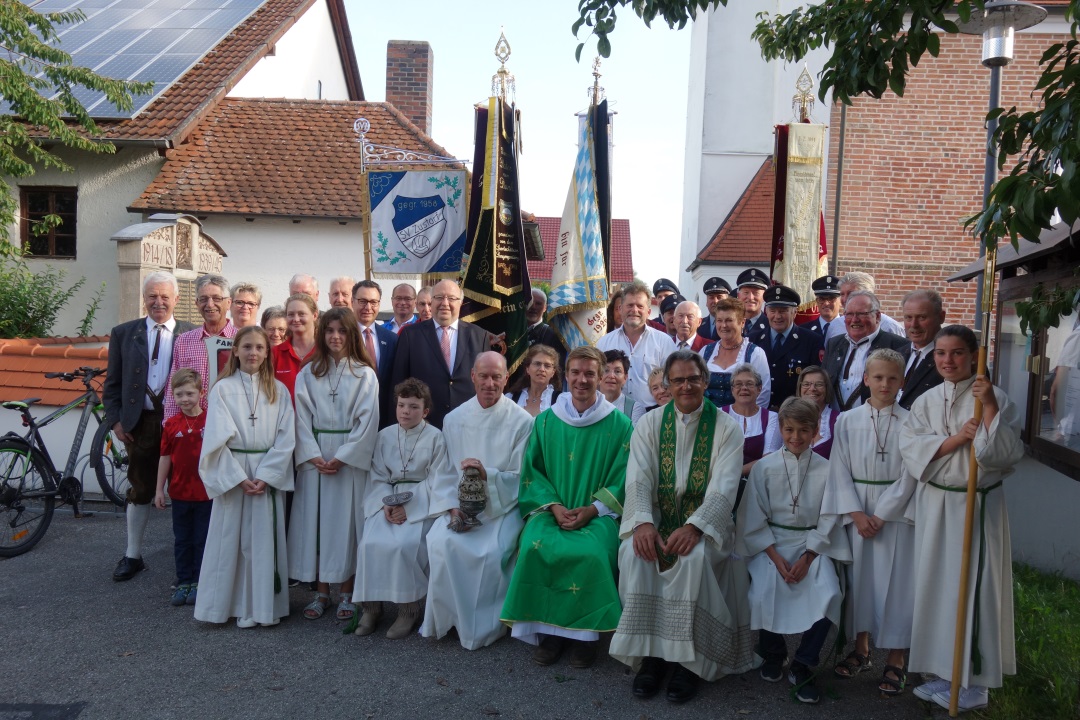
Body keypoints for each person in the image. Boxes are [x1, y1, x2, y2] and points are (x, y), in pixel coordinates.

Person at [609, 351, 756, 703]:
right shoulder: (649, 423)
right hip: (656, 519)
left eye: (693, 378)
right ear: (667, 385)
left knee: (694, 560)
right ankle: (653, 657)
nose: (686, 386)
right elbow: (638, 479)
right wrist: (643, 523)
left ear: (705, 381)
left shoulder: (726, 428)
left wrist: (695, 528)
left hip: (706, 525)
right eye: (678, 380)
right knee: (634, 553)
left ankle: (690, 662)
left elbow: (725, 485)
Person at [899, 325, 1024, 713]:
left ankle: (976, 681)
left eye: (956, 353)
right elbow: (911, 448)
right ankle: (945, 669)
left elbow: (1001, 455)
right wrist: (955, 440)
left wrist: (987, 409)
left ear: (974, 356)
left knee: (973, 588)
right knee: (937, 588)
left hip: (976, 506)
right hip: (938, 504)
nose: (947, 361)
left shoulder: (995, 397)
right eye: (940, 354)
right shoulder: (926, 400)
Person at [501, 346, 632, 669]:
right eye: (575, 372)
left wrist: (593, 509)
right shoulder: (546, 422)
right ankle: (551, 633)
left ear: (601, 377)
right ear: (566, 375)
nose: (582, 380)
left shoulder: (620, 425)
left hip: (598, 515)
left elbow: (623, 476)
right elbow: (533, 473)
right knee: (534, 546)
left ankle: (584, 637)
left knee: (591, 554)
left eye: (590, 373)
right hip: (552, 511)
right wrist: (555, 507)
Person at [736, 397, 850, 704]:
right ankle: (773, 652)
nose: (795, 437)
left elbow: (831, 517)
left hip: (813, 545)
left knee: (829, 593)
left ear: (816, 432)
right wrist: (774, 557)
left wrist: (809, 556)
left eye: (803, 430)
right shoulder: (764, 468)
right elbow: (753, 516)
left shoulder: (828, 470)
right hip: (771, 544)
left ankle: (804, 663)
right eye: (789, 429)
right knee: (762, 588)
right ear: (781, 429)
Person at [422, 352, 535, 650]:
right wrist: (452, 507)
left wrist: (489, 475)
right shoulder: (455, 418)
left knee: (489, 551)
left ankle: (482, 627)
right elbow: (444, 471)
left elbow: (521, 476)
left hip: (500, 508)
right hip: (460, 506)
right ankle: (447, 620)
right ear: (472, 376)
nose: (489, 383)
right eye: (483, 376)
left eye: (496, 377)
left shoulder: (522, 421)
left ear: (505, 379)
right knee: (440, 542)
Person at [820, 349, 915, 696]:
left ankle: (896, 658)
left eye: (892, 378)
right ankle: (860, 650)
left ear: (902, 381)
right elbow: (838, 469)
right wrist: (857, 514)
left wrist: (882, 513)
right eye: (878, 377)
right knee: (858, 582)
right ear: (865, 379)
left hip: (896, 515)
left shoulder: (912, 422)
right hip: (857, 510)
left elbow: (912, 474)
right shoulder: (847, 420)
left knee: (898, 584)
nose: (885, 384)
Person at [194, 326, 296, 628]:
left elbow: (286, 437)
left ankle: (263, 608)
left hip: (265, 473)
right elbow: (214, 440)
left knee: (263, 543)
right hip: (234, 471)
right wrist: (238, 478)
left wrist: (265, 475)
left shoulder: (279, 390)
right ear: (235, 351)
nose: (253, 353)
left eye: (260, 348)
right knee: (230, 542)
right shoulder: (222, 389)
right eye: (247, 347)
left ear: (267, 353)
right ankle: (224, 607)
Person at [104, 271, 196, 582]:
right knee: (141, 487)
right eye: (152, 296)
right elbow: (113, 382)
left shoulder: (191, 334)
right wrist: (115, 420)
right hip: (139, 423)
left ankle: (188, 560)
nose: (158, 302)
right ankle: (132, 555)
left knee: (186, 489)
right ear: (144, 299)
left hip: (180, 422)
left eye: (164, 296)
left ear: (176, 299)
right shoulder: (123, 333)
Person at [289, 308, 379, 622]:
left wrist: (343, 457)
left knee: (346, 525)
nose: (335, 337)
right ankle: (321, 592)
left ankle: (348, 592)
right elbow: (300, 418)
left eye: (342, 331)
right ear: (321, 334)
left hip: (348, 462)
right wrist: (313, 455)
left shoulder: (364, 374)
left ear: (352, 334)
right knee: (318, 524)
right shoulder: (308, 372)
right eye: (329, 331)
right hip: (316, 458)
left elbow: (368, 420)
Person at [353, 378, 451, 639]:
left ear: (425, 411)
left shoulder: (435, 438)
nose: (406, 411)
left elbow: (437, 480)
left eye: (413, 407)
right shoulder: (384, 436)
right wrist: (386, 504)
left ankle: (408, 609)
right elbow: (377, 476)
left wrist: (410, 508)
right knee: (369, 543)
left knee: (403, 546)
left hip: (420, 504)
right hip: (387, 502)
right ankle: (371, 607)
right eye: (401, 405)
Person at [391, 279, 490, 428]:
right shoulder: (410, 335)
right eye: (439, 297)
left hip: (468, 426)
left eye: (451, 298)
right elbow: (398, 383)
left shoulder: (480, 336)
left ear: (460, 302)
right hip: (423, 427)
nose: (445, 303)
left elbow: (485, 384)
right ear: (431, 301)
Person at [153, 369, 210, 607]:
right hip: (180, 493)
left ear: (201, 393)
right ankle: (184, 580)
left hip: (206, 494)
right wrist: (159, 490)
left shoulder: (211, 420)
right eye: (179, 394)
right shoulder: (171, 424)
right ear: (172, 396)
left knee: (202, 539)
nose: (185, 399)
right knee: (182, 540)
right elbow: (165, 457)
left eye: (189, 393)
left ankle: (199, 581)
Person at [163, 273, 236, 420]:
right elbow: (173, 387)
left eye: (216, 298)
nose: (210, 304)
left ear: (228, 303)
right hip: (192, 428)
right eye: (203, 299)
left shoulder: (241, 341)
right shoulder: (184, 341)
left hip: (230, 422)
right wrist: (169, 426)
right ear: (197, 304)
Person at [823, 290, 909, 411]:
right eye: (849, 314)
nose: (854, 319)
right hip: (835, 424)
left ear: (877, 316)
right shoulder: (834, 343)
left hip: (874, 424)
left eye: (861, 314)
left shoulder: (898, 346)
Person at [597, 279, 675, 405]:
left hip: (652, 414)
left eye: (640, 306)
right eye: (630, 305)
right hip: (614, 414)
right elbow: (597, 380)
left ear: (648, 312)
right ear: (620, 309)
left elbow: (673, 381)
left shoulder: (664, 342)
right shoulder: (604, 342)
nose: (634, 310)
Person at [748, 285, 824, 408]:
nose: (777, 316)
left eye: (783, 311)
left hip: (794, 414)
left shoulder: (811, 341)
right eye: (773, 311)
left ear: (794, 312)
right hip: (759, 412)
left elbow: (815, 381)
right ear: (766, 312)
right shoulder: (752, 339)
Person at [701, 297, 771, 409]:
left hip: (742, 422)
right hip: (708, 420)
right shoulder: (705, 351)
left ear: (742, 322)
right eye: (719, 320)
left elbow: (763, 395)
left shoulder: (755, 354)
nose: (723, 325)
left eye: (729, 320)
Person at [351, 280, 398, 428]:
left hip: (383, 417)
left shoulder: (391, 338)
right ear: (352, 302)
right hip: (351, 416)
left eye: (373, 302)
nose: (368, 307)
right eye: (362, 301)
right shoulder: (343, 337)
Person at [766, 365, 839, 459]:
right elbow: (773, 456)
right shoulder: (785, 417)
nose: (812, 389)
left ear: (827, 388)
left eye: (819, 384)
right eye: (806, 384)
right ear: (800, 388)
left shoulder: (839, 419)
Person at [721, 364, 777, 482]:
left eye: (749, 384)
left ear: (759, 389)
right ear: (732, 390)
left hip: (758, 483)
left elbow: (769, 459)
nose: (744, 388)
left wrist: (735, 473)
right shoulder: (720, 414)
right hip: (722, 482)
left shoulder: (772, 418)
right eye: (738, 384)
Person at [899, 289, 946, 409]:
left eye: (922, 317)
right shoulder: (898, 354)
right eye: (908, 317)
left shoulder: (953, 361)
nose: (914, 324)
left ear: (941, 317)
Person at [824, 271, 904, 341]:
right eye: (842, 294)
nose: (845, 299)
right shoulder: (835, 325)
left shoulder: (890, 327)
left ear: (868, 294)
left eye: (851, 294)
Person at [272, 293, 319, 402]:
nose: (296, 319)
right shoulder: (275, 354)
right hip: (286, 418)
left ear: (315, 315)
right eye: (291, 314)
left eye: (301, 314)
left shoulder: (325, 352)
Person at [506, 343, 562, 417]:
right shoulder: (512, 398)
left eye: (547, 366)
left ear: (553, 372)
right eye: (537, 364)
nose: (542, 369)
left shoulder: (560, 401)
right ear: (527, 369)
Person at [600, 349, 636, 417]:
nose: (611, 376)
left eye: (617, 371)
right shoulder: (586, 405)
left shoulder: (634, 409)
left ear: (625, 377)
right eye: (606, 370)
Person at [735, 268, 769, 336]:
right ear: (738, 296)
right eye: (746, 292)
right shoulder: (730, 324)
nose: (750, 298)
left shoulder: (770, 326)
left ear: (764, 297)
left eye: (756, 293)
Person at [696, 276, 731, 341]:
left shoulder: (733, 323)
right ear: (706, 302)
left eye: (719, 297)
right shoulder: (698, 325)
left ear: (727, 301)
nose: (715, 301)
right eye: (711, 297)